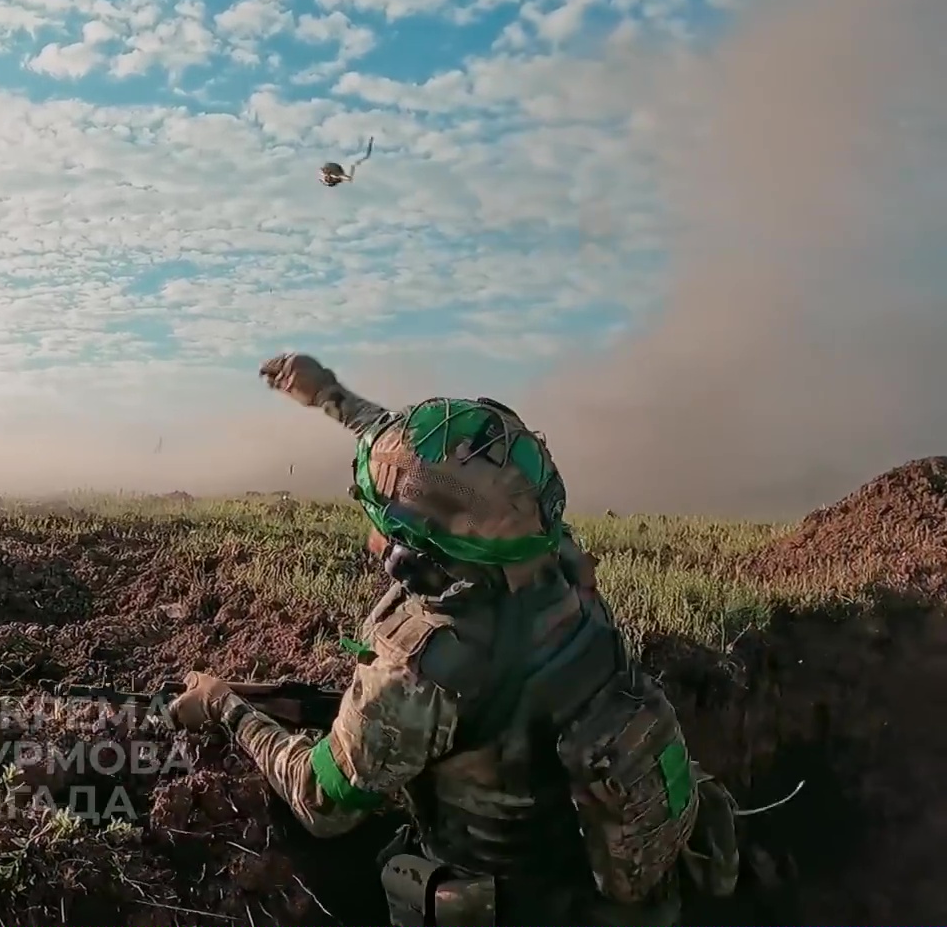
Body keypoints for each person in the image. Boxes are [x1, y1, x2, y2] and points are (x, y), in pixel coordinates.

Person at [167, 353, 740, 927]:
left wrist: (223, 704)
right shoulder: (552, 558)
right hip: (606, 892)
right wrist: (329, 394)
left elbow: (323, 799)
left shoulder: (422, 667)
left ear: (412, 554)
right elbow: (438, 473)